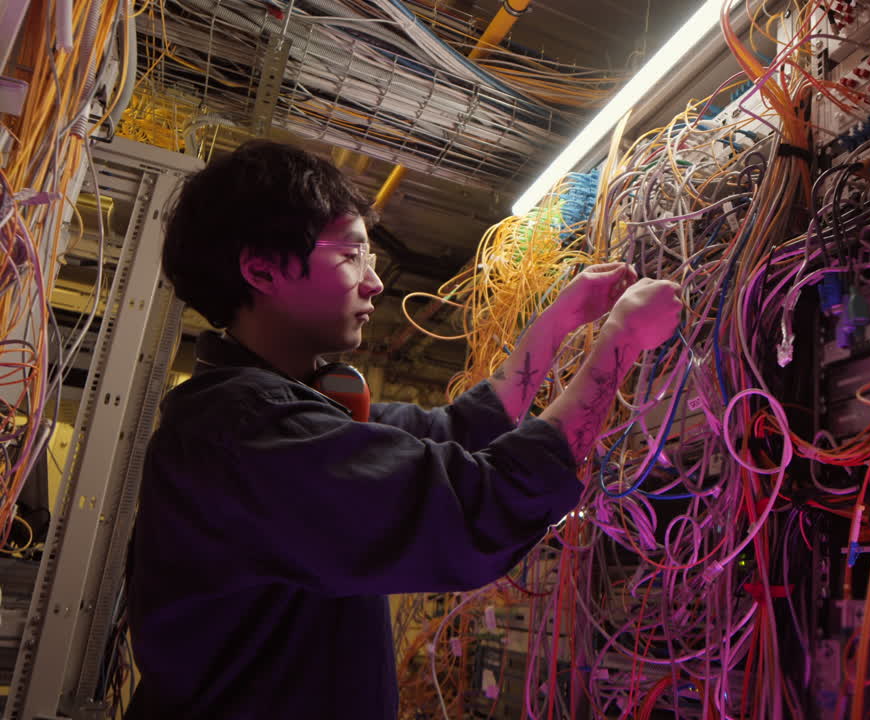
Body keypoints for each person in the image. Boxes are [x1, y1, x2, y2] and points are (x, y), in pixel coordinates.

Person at [124, 140, 682, 719]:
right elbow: (475, 511)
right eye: (351, 256)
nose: (376, 283)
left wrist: (560, 322)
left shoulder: (297, 404)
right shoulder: (247, 438)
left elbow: (455, 432)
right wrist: (620, 345)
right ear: (261, 268)